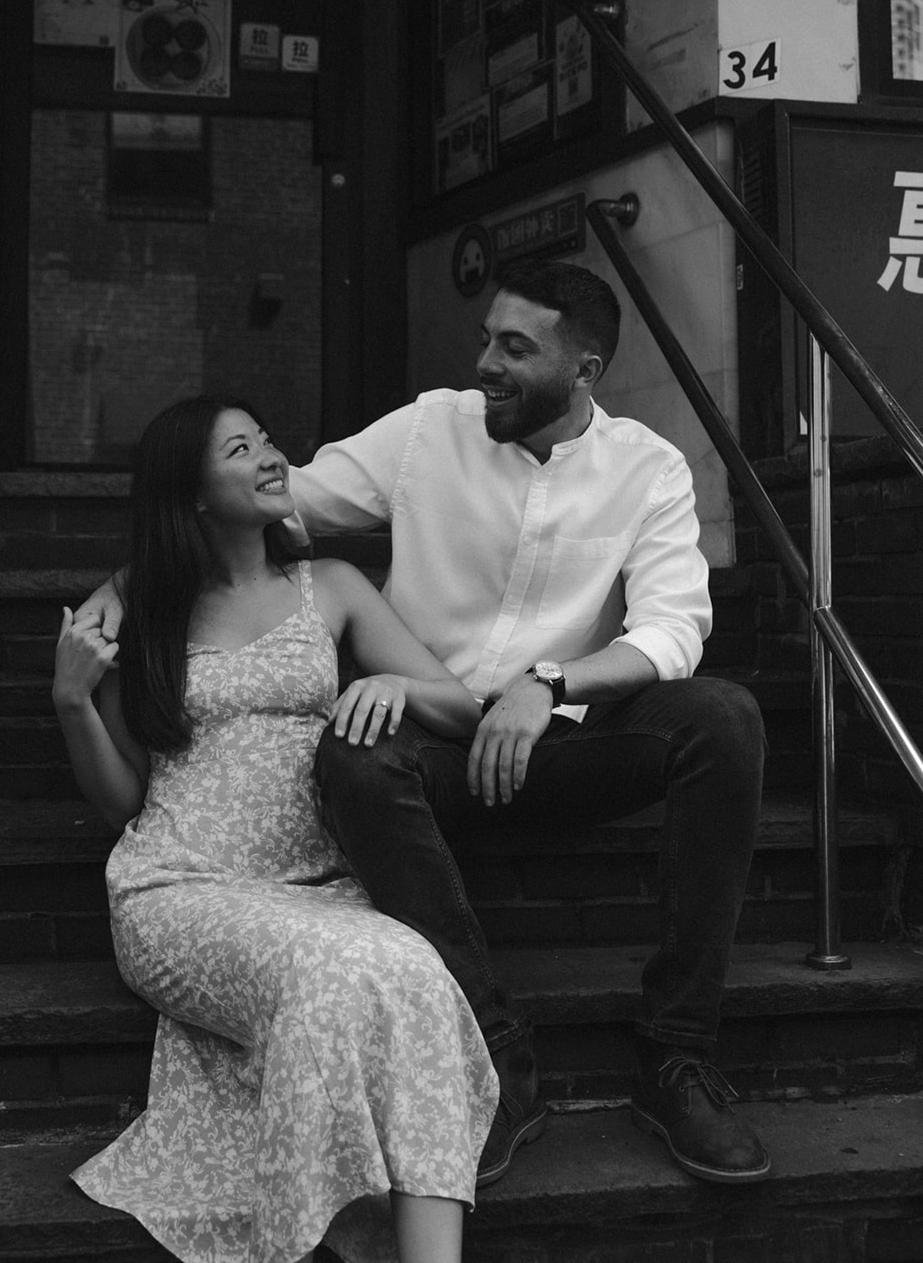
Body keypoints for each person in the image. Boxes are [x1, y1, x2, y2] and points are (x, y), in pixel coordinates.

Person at [80, 258, 770, 1191]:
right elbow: (277, 502)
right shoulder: (426, 431)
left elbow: (674, 627)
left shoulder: (647, 470)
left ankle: (676, 1056)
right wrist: (125, 587)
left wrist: (550, 680)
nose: (484, 359)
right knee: (353, 758)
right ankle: (495, 1060)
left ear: (585, 372)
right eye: (486, 336)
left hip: (566, 742)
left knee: (723, 718)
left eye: (514, 348)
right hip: (431, 746)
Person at [53, 395, 498, 1263]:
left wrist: (397, 690)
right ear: (191, 496)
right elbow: (121, 802)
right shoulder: (143, 612)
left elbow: (462, 704)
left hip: (321, 887)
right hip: (180, 888)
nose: (269, 455)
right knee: (342, 967)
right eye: (239, 448)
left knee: (409, 964)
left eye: (264, 438)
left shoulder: (327, 586)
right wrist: (72, 700)